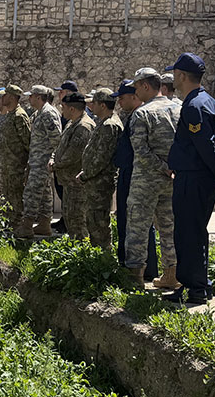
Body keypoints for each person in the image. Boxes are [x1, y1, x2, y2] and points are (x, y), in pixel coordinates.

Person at [165, 53, 215, 304]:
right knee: (196, 232)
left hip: (193, 179)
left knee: (188, 233)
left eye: (175, 74)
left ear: (182, 76)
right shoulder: (209, 101)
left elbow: (206, 145)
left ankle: (193, 288)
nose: (173, 78)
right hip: (200, 177)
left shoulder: (194, 106)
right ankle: (200, 285)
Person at [125, 67, 180, 289]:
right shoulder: (179, 108)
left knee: (137, 228)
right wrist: (172, 169)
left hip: (146, 180)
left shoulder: (142, 113)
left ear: (146, 86)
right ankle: (171, 274)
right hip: (173, 179)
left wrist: (162, 168)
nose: (135, 92)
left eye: (137, 87)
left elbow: (140, 150)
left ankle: (134, 278)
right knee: (169, 228)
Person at [113, 80, 159, 279]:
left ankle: (142, 270)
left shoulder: (140, 116)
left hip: (136, 175)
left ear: (134, 96)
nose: (119, 102)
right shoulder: (132, 116)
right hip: (128, 173)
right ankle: (130, 265)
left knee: (138, 224)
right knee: (126, 221)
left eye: (122, 98)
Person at [76, 88, 123, 250]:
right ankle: (98, 253)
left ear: (103, 105)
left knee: (99, 222)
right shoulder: (104, 122)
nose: (91, 106)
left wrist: (86, 175)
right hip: (95, 180)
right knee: (94, 220)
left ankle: (103, 255)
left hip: (100, 182)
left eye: (94, 103)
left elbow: (102, 158)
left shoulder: (109, 125)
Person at [17, 85, 61, 238]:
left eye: (31, 96)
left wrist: (52, 158)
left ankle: (27, 226)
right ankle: (44, 224)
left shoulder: (48, 113)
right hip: (37, 160)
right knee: (44, 194)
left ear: (38, 97)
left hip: (42, 162)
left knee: (32, 193)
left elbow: (57, 138)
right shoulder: (40, 112)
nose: (29, 99)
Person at [51, 92, 95, 240]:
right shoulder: (72, 123)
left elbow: (73, 154)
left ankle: (81, 249)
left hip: (77, 183)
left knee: (78, 221)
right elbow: (61, 146)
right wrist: (53, 158)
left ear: (72, 109)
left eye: (63, 107)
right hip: (69, 181)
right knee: (70, 217)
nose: (61, 109)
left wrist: (55, 165)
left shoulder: (83, 126)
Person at [0, 85, 31, 227]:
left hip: (17, 166)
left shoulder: (19, 116)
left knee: (16, 197)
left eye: (5, 95)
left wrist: (25, 166)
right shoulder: (10, 115)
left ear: (12, 97)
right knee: (8, 196)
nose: (2, 98)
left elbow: (27, 142)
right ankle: (9, 222)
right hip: (8, 165)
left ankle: (17, 225)